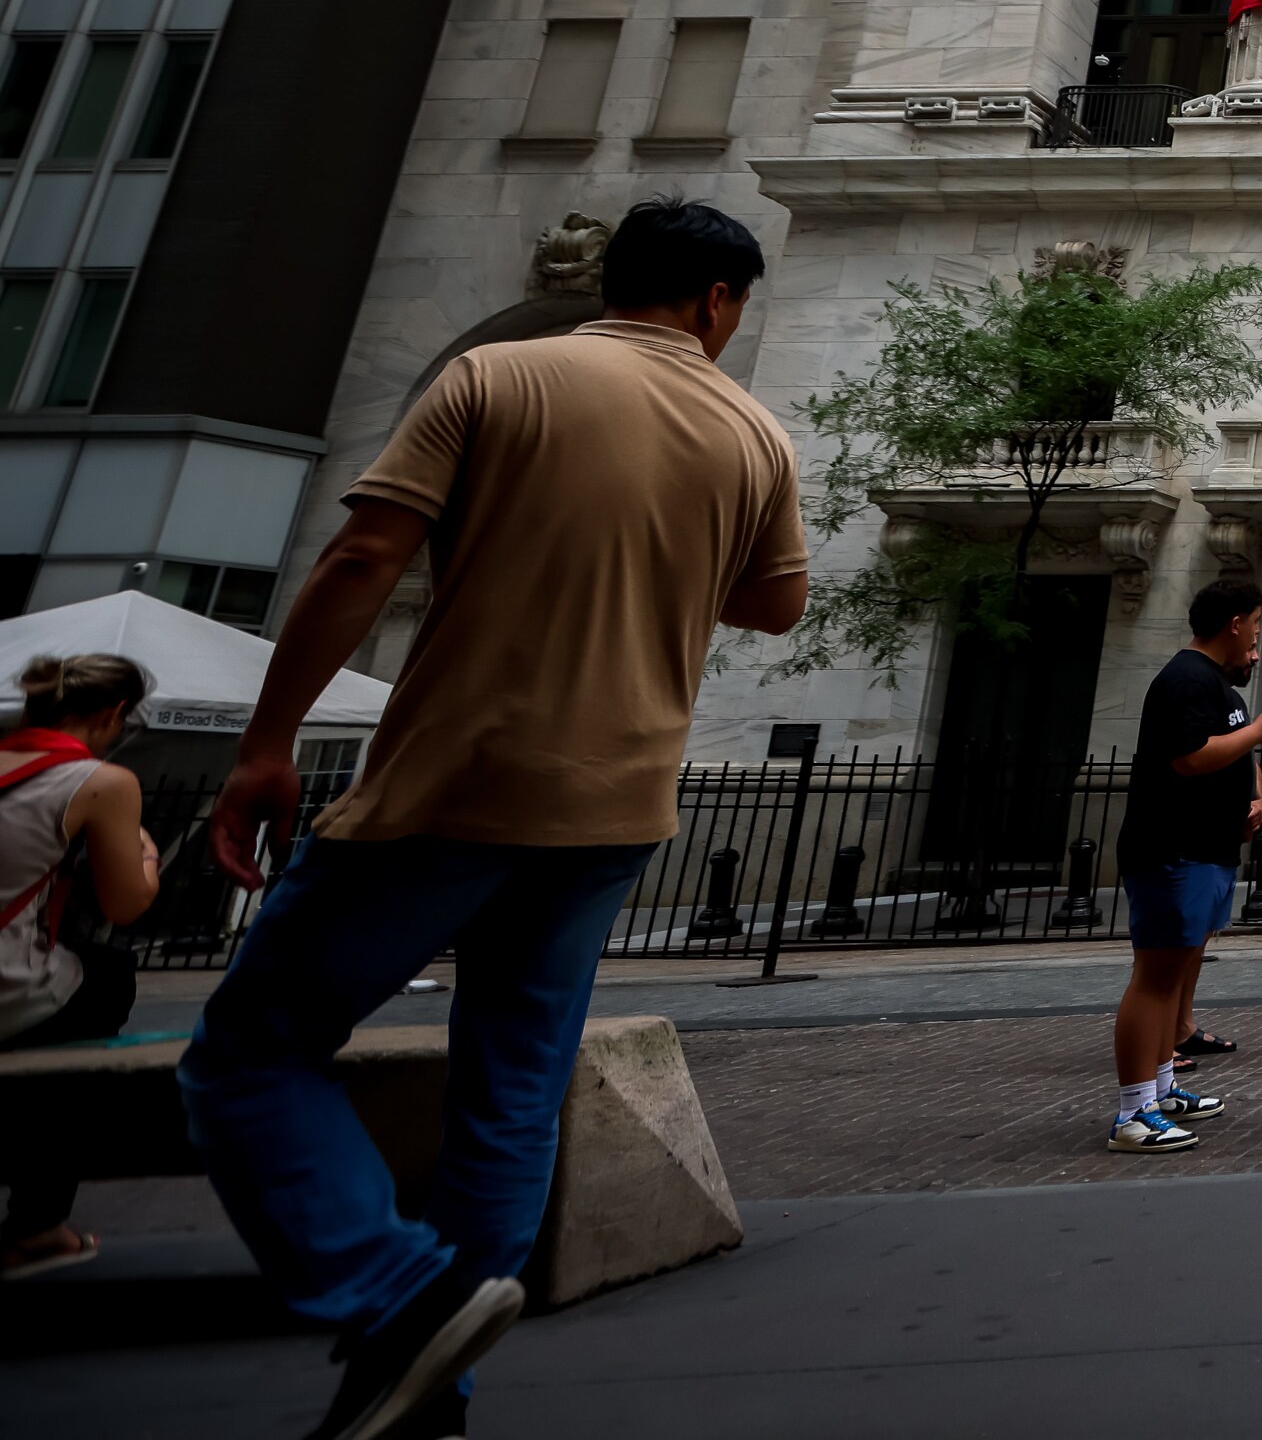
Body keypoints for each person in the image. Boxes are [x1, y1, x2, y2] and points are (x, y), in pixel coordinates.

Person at [185, 198, 806, 1440]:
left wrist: (266, 745)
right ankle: (428, 1392)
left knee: (250, 1052)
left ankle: (396, 1295)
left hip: (456, 781)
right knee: (513, 1091)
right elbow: (775, 605)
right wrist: (658, 561)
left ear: (614, 280)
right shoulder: (755, 433)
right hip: (617, 805)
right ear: (715, 302)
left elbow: (359, 559)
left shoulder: (497, 375)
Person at [1106, 580, 1262, 1154]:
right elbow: (1188, 758)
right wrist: (1259, 730)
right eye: (1256, 627)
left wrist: (1250, 794)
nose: (1257, 642)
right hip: (1174, 848)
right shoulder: (1188, 678)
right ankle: (1133, 1113)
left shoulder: (1213, 683)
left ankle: (1162, 1088)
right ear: (1234, 623)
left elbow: (1223, 756)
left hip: (1203, 849)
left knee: (1177, 972)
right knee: (1156, 977)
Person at [2, 651, 162, 1282]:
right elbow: (126, 904)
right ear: (114, 713)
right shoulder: (101, 781)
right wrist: (146, 853)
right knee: (108, 975)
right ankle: (38, 1225)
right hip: (10, 989)